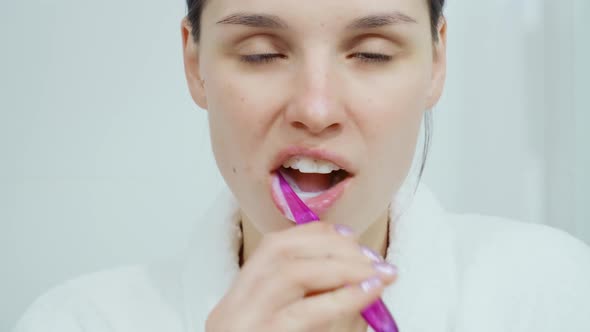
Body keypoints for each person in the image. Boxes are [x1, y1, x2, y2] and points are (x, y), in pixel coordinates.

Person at [13, 0, 590, 331]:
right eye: (262, 53)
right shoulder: (76, 321)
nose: (315, 109)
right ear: (194, 63)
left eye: (372, 54)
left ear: (437, 61)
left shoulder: (557, 293)